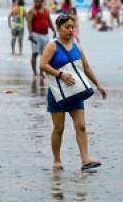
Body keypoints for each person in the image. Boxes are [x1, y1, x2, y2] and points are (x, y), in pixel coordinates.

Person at [40, 13, 107, 171]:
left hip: (75, 92)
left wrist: (98, 84)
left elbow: (86, 66)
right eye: (67, 27)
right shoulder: (53, 45)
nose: (70, 30)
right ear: (58, 28)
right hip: (58, 94)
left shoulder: (76, 44)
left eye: (72, 27)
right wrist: (60, 74)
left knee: (81, 126)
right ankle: (57, 160)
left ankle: (85, 160)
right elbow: (42, 65)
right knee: (59, 128)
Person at [27, 0, 55, 78]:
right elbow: (29, 23)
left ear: (42, 2)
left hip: (45, 35)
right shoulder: (32, 11)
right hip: (36, 34)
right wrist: (30, 34)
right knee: (35, 54)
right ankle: (35, 73)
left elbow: (49, 21)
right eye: (36, 2)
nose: (37, 3)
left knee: (44, 55)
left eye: (39, 1)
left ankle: (42, 72)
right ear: (34, 1)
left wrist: (54, 30)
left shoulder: (46, 10)